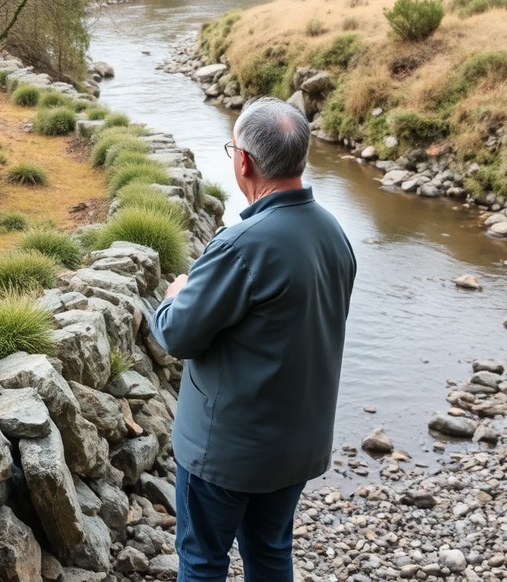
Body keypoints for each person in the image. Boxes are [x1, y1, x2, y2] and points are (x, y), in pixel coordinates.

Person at [151, 97, 356, 582]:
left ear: (243, 161)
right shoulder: (334, 234)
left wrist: (174, 295)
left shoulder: (242, 245)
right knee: (269, 553)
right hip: (296, 446)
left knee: (202, 560)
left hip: (226, 451)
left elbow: (177, 335)